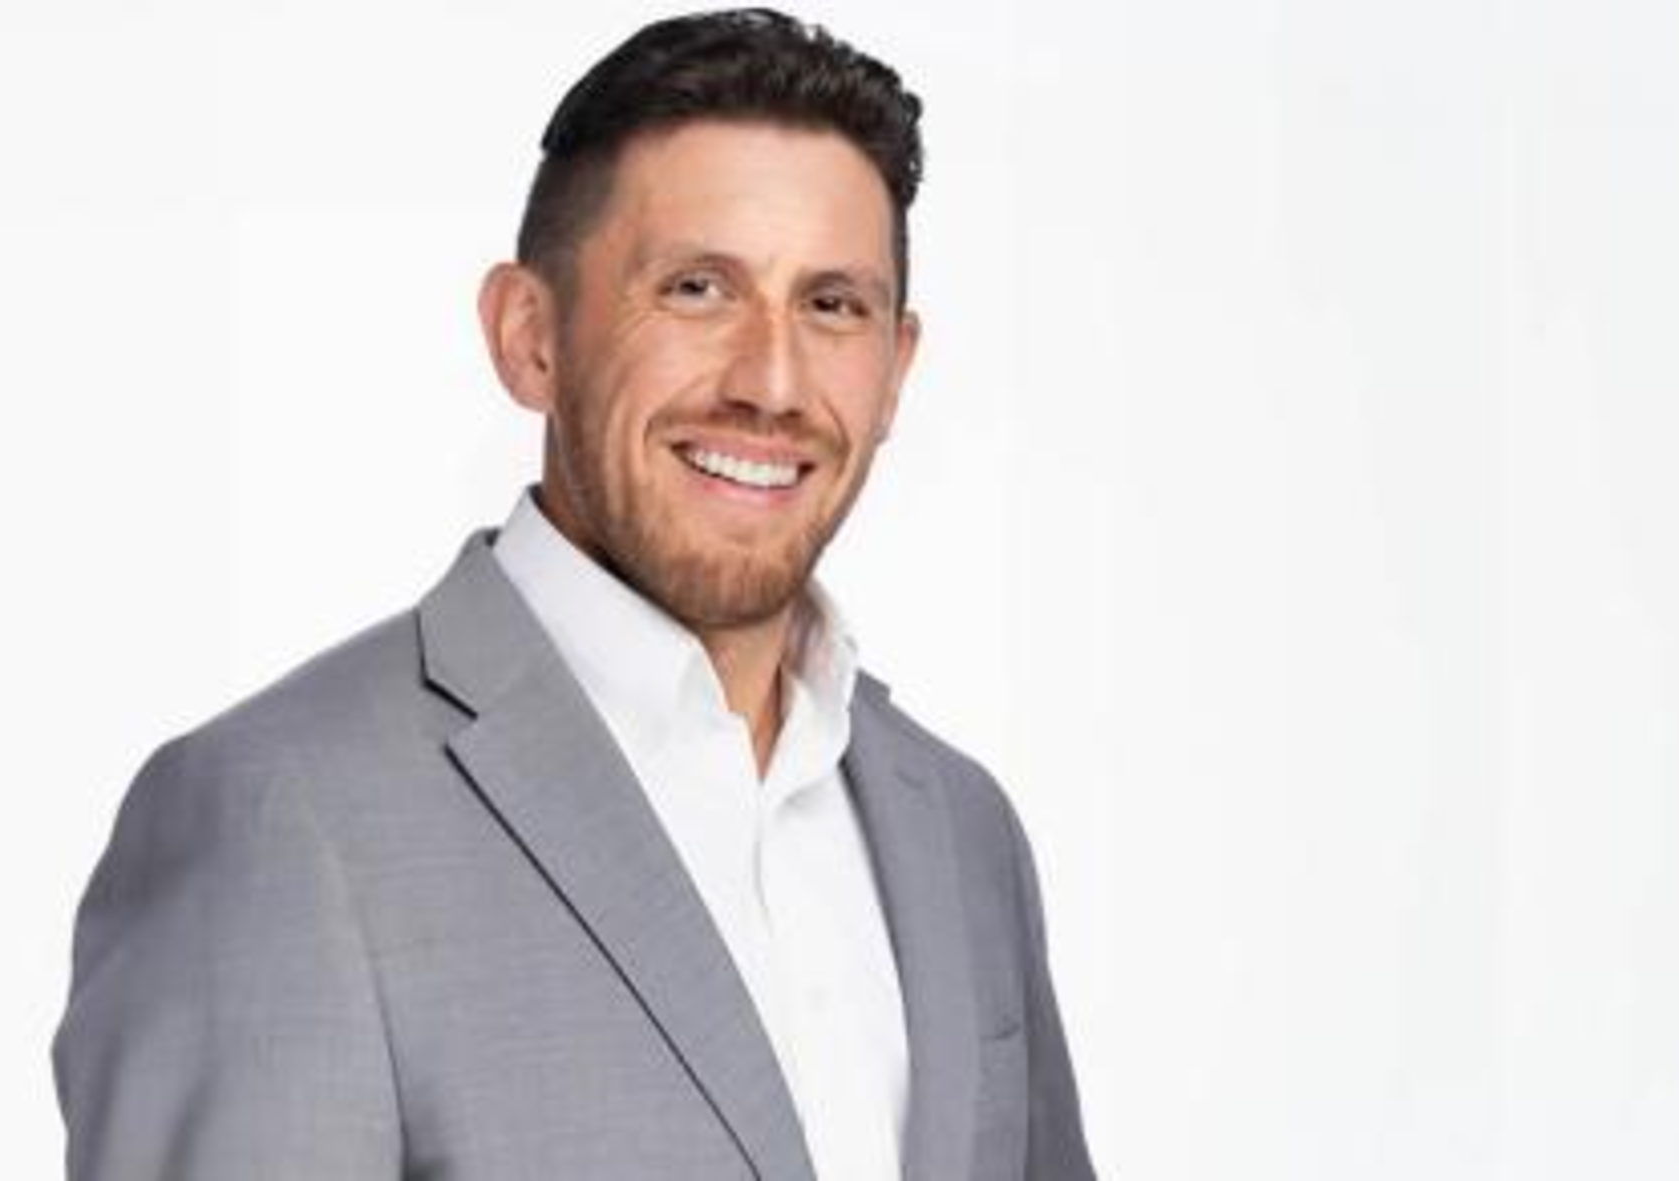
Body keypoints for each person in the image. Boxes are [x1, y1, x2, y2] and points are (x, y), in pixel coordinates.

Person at [53, 9, 1096, 1180]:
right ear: (529, 336)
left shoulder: (961, 829)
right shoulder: (281, 818)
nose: (772, 381)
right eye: (698, 288)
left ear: (896, 369)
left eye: (832, 304)